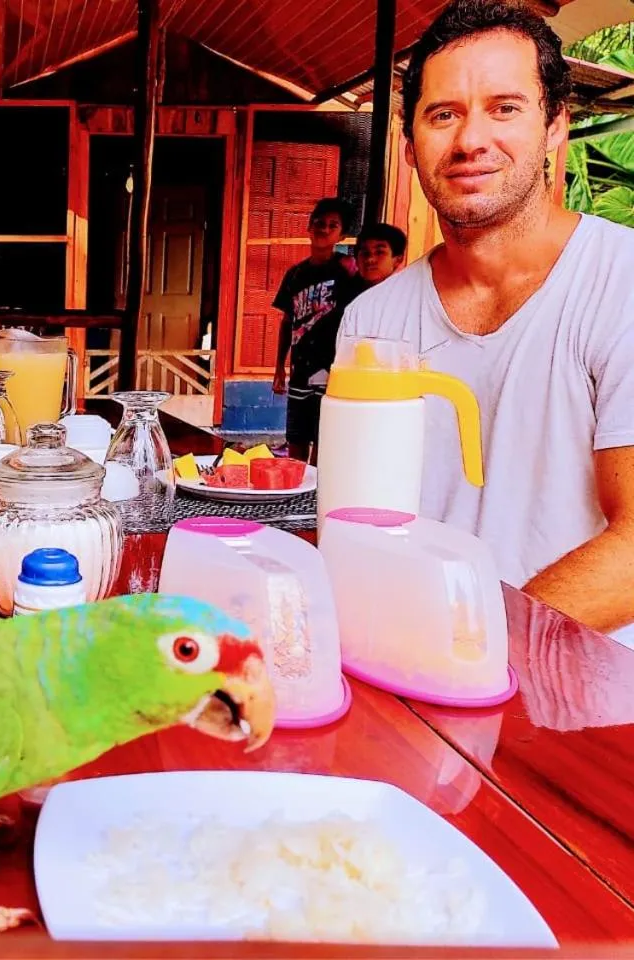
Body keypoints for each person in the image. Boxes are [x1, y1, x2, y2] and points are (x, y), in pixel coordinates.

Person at [338, 0, 634, 645]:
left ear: (555, 125)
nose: (471, 140)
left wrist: (475, 646)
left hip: (585, 702)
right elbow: (359, 522)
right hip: (408, 668)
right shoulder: (372, 319)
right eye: (443, 115)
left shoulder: (622, 286)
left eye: (505, 108)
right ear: (410, 143)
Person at [271, 197, 357, 462]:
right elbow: (287, 321)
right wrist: (279, 369)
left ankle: (317, 497)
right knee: (296, 438)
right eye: (319, 223)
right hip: (301, 369)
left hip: (333, 368)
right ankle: (297, 497)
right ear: (309, 227)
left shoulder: (348, 271)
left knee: (324, 439)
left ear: (341, 234)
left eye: (332, 225)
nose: (324, 229)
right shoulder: (295, 275)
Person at [347, 222, 408, 295]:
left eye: (379, 252)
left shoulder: (406, 296)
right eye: (365, 253)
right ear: (356, 259)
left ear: (398, 259)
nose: (370, 259)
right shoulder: (340, 292)